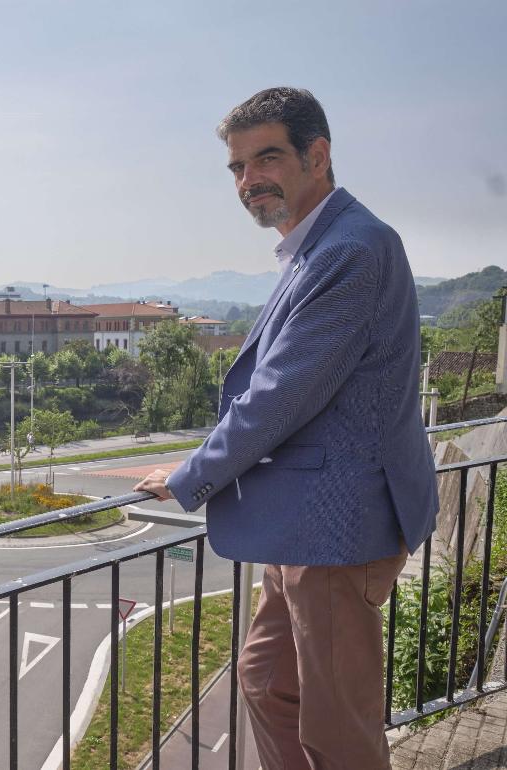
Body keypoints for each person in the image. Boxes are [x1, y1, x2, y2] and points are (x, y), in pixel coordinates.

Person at [133, 87, 438, 770]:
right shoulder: (315, 245)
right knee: (266, 682)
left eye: (265, 159)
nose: (248, 182)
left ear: (317, 154)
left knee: (338, 730)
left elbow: (279, 395)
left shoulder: (351, 249)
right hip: (301, 522)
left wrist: (189, 477)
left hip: (338, 529)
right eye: (237, 168)